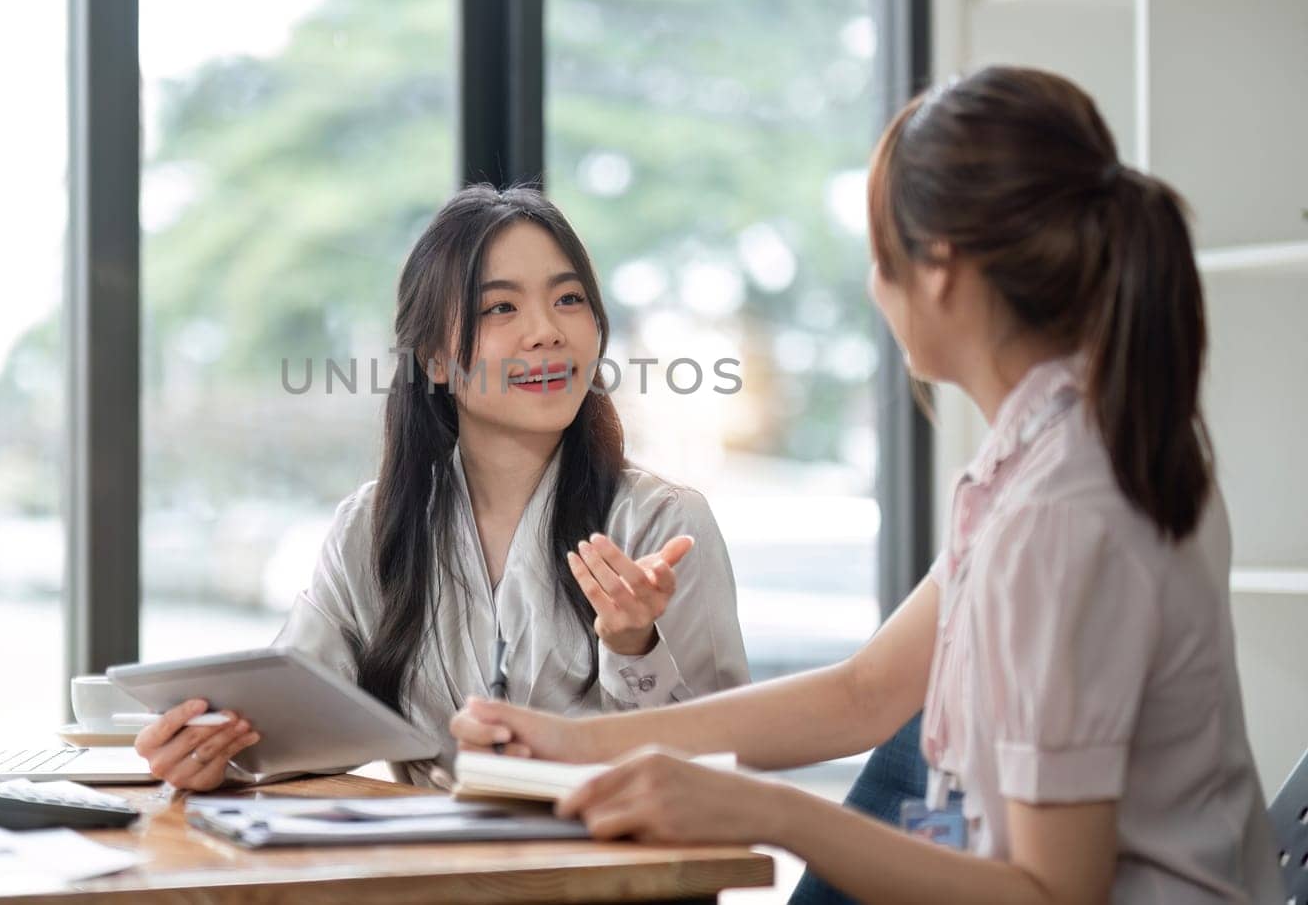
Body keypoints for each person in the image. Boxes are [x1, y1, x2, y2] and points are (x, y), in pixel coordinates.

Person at [451, 67, 1282, 902]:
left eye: (881, 257)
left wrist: (774, 810)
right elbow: (864, 692)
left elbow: (1050, 895)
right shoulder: (1063, 457)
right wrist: (565, 740)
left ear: (942, 271)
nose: (873, 286)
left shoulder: (1060, 510)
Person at [137, 184, 749, 789]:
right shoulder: (372, 526)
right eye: (500, 308)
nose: (546, 331)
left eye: (568, 299)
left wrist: (633, 645)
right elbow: (294, 720)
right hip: (433, 874)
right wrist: (211, 748)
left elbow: (723, 769)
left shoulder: (663, 524)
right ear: (432, 358)